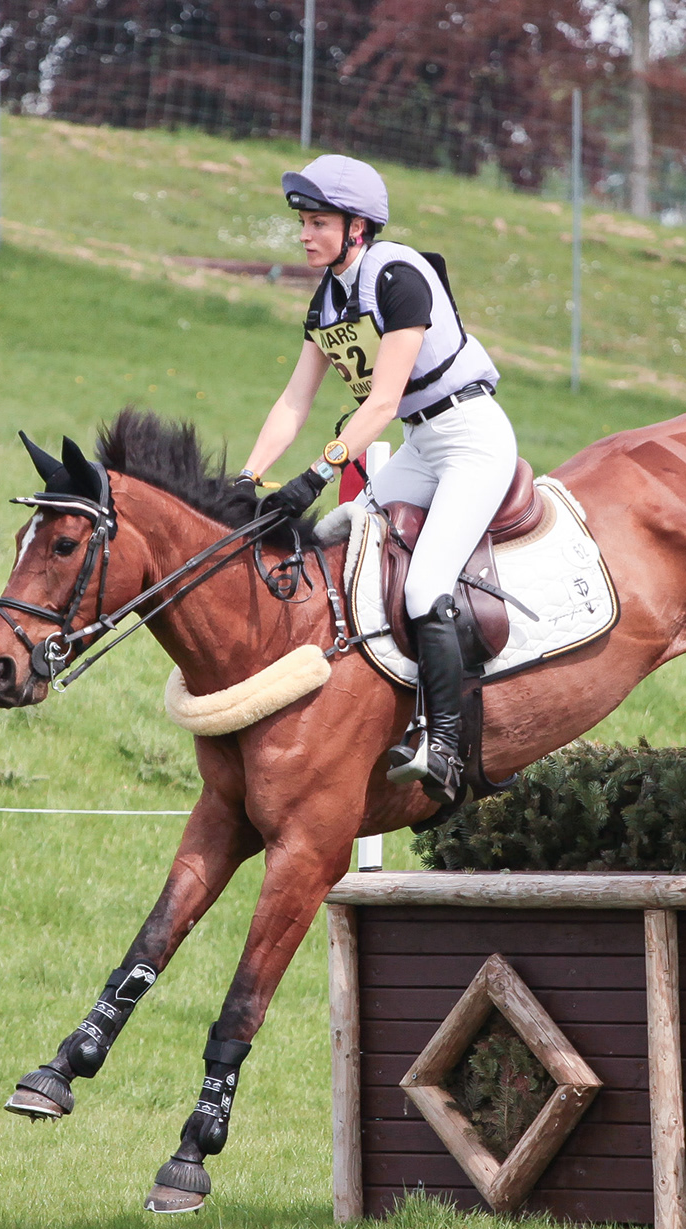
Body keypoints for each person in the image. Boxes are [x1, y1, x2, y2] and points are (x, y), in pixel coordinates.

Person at [239, 154, 515, 805]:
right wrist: (248, 477)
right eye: (303, 223)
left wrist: (316, 474)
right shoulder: (328, 298)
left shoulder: (398, 277)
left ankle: (444, 747)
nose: (305, 234)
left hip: (472, 440)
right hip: (422, 445)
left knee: (423, 584)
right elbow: (294, 401)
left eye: (318, 223)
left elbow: (384, 400)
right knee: (337, 539)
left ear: (356, 228)